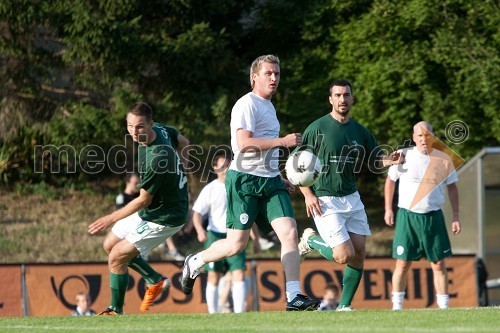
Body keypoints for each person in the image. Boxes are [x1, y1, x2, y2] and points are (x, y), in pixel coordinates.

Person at [181, 54, 320, 311]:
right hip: (244, 181)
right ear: (254, 76)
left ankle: (293, 297)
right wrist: (283, 141)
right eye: (268, 73)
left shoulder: (269, 106)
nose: (274, 78)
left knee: (289, 233)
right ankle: (195, 261)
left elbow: (265, 150)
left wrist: (279, 176)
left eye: (277, 74)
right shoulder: (246, 104)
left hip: (270, 181)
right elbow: (244, 145)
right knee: (236, 245)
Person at [296, 79, 402, 311]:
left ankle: (344, 307)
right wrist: (307, 194)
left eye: (346, 95)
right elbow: (296, 166)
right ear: (330, 99)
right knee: (344, 255)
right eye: (338, 95)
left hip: (351, 197)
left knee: (359, 254)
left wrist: (390, 160)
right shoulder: (316, 129)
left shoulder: (359, 131)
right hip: (324, 199)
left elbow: (375, 159)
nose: (342, 99)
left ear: (352, 98)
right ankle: (310, 240)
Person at [88, 101, 189, 315]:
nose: (134, 131)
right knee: (109, 245)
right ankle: (154, 279)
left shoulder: (156, 157)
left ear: (150, 124)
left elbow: (143, 200)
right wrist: (183, 169)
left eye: (140, 126)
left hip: (166, 216)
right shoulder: (160, 129)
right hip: (154, 209)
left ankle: (115, 310)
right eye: (130, 126)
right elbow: (184, 142)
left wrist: (110, 218)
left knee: (116, 256)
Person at [384, 121, 461, 310]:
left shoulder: (444, 158)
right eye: (420, 135)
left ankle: (444, 307)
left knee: (438, 263)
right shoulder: (403, 156)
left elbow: (452, 188)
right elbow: (390, 181)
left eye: (427, 135)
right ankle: (397, 307)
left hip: (433, 217)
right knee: (402, 263)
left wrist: (456, 216)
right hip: (407, 217)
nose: (424, 139)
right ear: (413, 137)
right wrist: (388, 208)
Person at [116, 173, 185, 261]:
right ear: (127, 182)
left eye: (139, 183)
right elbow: (121, 216)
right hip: (132, 225)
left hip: (146, 222)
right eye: (135, 183)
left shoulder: (140, 196)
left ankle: (172, 251)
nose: (137, 186)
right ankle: (143, 254)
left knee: (163, 221)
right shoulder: (121, 198)